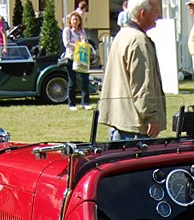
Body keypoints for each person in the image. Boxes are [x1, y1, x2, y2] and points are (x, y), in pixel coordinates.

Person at [98, 0, 166, 139]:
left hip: (120, 120)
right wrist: (151, 114)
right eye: (155, 11)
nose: (159, 15)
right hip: (134, 125)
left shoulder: (123, 34)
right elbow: (142, 83)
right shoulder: (138, 40)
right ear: (143, 13)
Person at [63, 11, 91, 109]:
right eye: (73, 19)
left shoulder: (82, 31)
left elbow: (85, 41)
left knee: (85, 80)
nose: (75, 21)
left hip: (81, 58)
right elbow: (66, 43)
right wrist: (77, 46)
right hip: (71, 58)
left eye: (77, 19)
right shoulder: (67, 30)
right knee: (72, 82)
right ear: (70, 20)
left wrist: (83, 41)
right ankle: (72, 104)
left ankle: (85, 103)